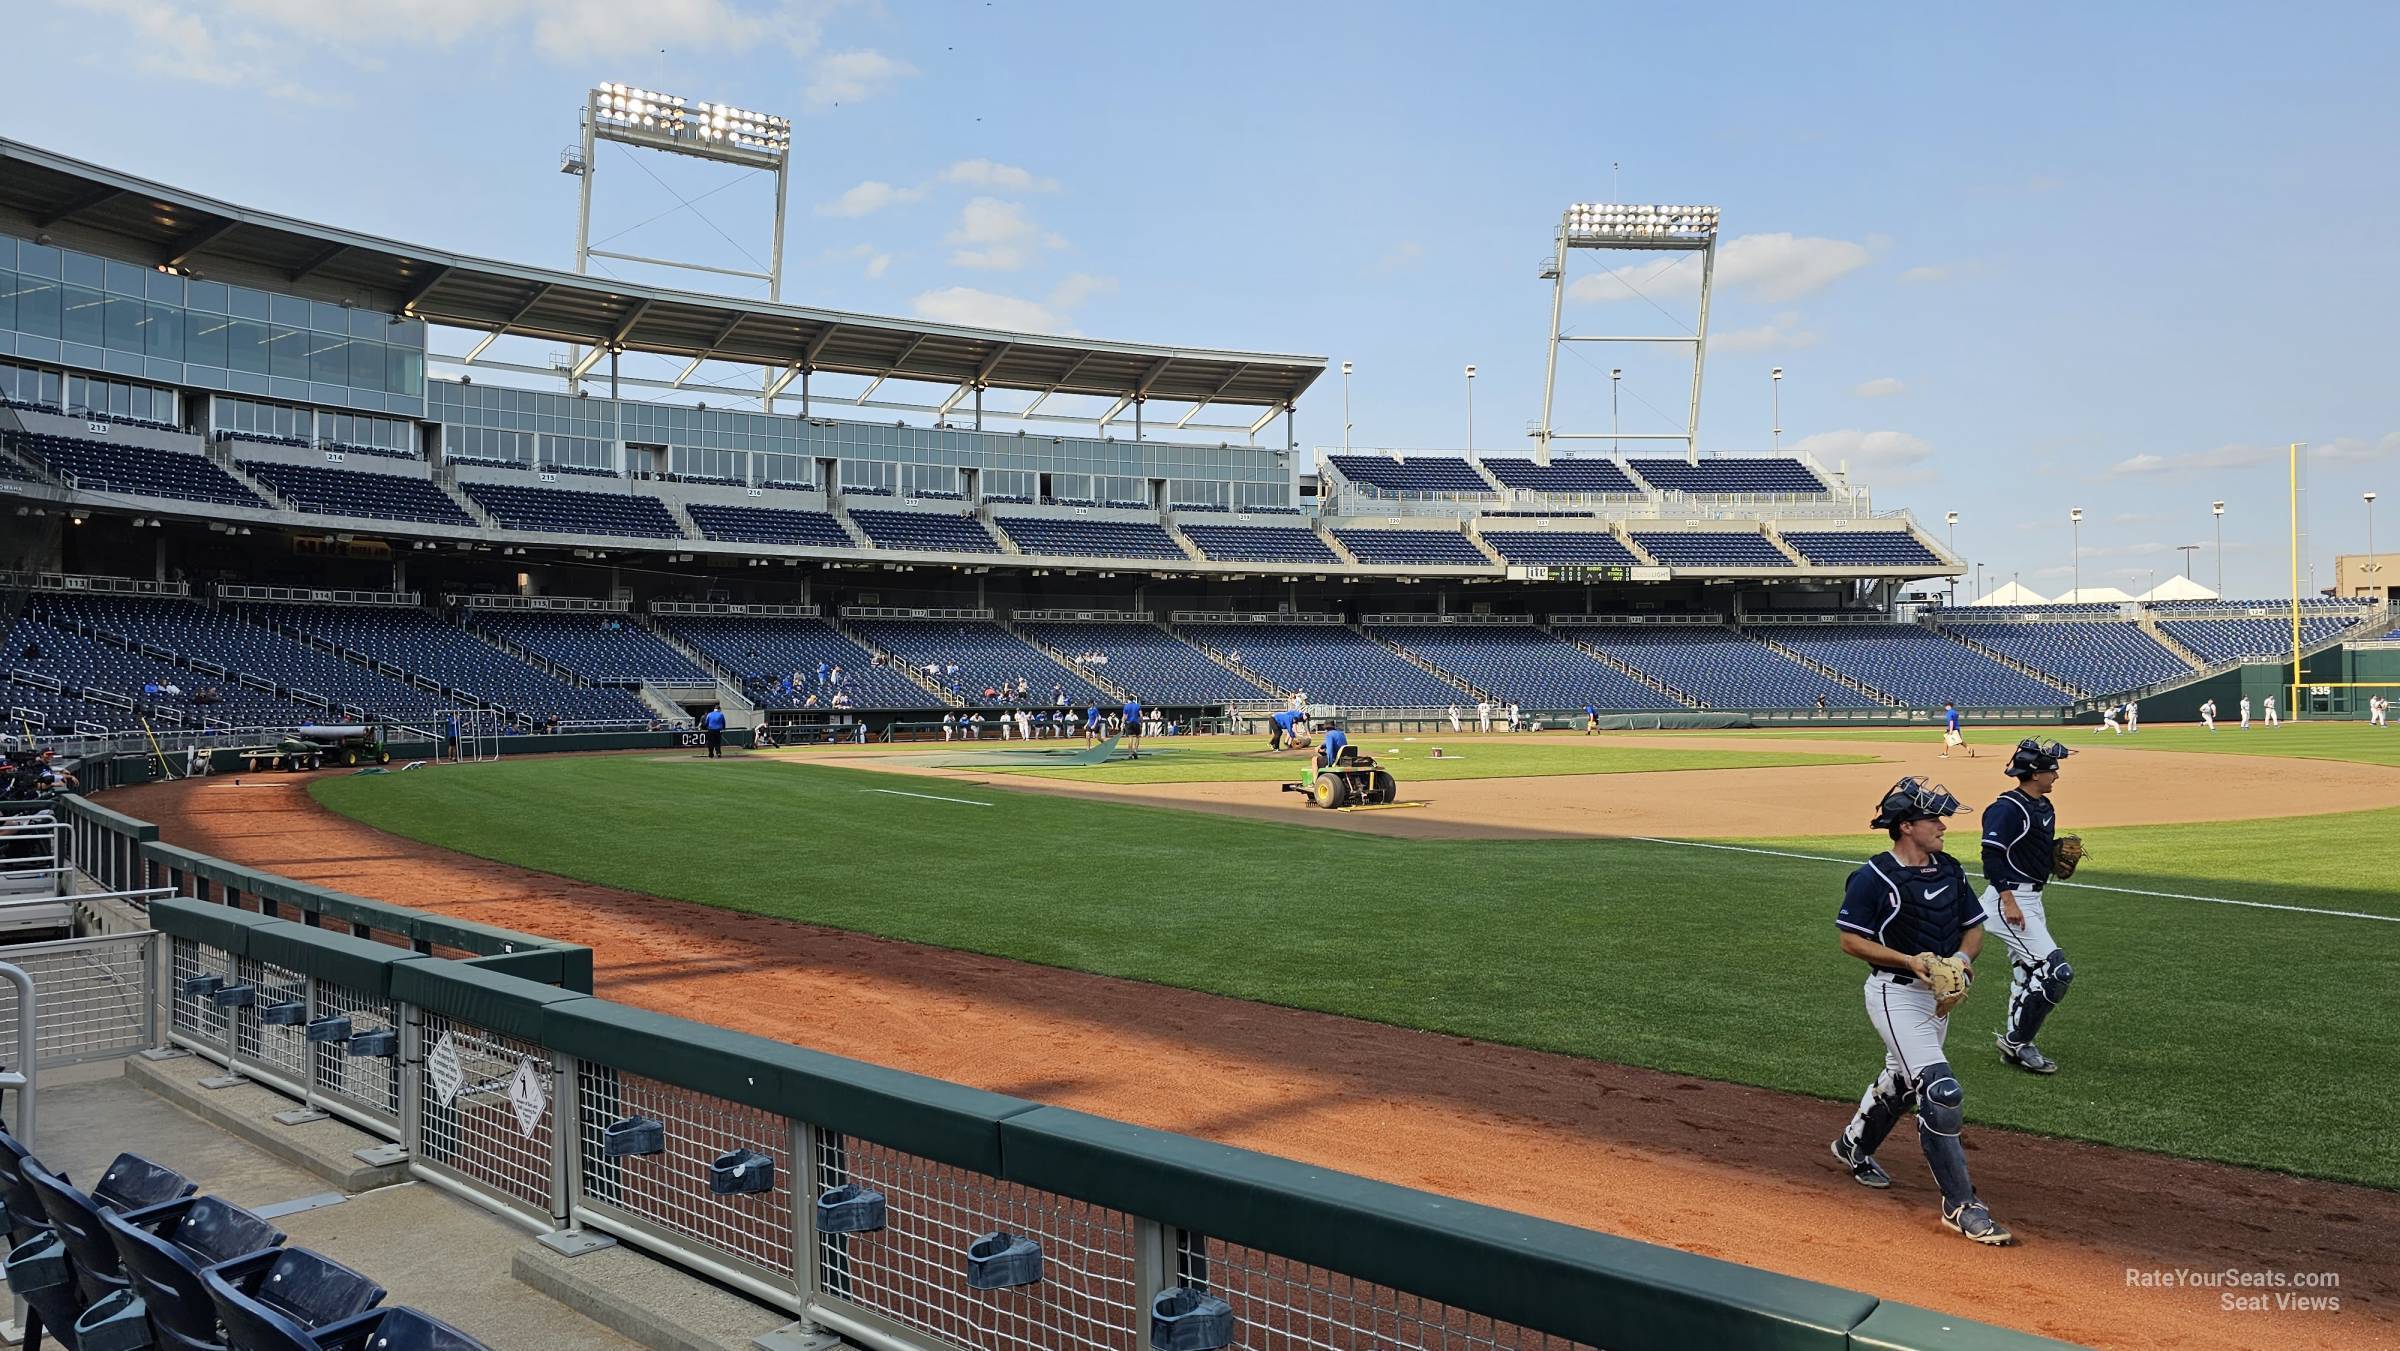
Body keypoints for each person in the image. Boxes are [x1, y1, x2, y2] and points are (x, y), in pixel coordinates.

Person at [1830, 775, 2010, 1246]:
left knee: (1903, 1079)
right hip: (1895, 995)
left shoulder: (1949, 869)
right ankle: (1961, 1205)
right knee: (1940, 1090)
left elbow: (1974, 927)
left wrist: (1962, 961)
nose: (1943, 826)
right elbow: (1850, 940)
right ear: (1906, 826)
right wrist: (1909, 961)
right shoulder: (1873, 877)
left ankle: (1853, 1144)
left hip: (1937, 998)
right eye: (1934, 819)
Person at [1980, 738, 2078, 1076]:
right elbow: (1991, 857)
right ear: (2035, 774)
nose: (2056, 775)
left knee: (2027, 972)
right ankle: (2019, 1042)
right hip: (2008, 900)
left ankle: (2016, 1043)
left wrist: (2051, 859)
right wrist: (2008, 900)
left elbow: (2027, 852)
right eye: (2052, 770)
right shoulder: (2007, 808)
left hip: (2032, 899)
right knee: (2057, 971)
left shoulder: (2043, 806)